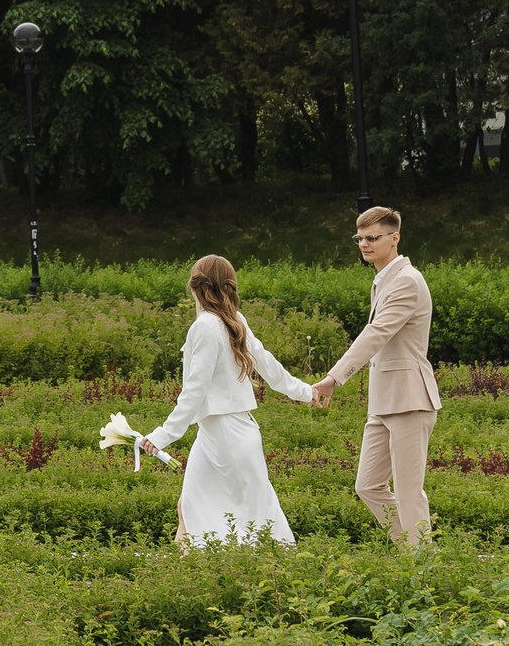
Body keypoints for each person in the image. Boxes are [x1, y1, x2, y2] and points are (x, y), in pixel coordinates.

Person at [140, 254, 320, 545]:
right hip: (218, 434)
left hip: (225, 435)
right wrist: (306, 391)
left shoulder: (208, 326)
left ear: (195, 287)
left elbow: (194, 392)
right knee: (189, 507)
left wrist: (162, 435)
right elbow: (270, 368)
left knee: (257, 519)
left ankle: (259, 575)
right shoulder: (232, 321)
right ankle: (183, 571)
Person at [318, 205, 438, 543]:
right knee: (368, 485)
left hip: (410, 399)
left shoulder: (407, 282)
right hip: (384, 402)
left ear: (395, 237)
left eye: (373, 238)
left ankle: (423, 567)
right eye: (360, 238)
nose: (365, 244)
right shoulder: (383, 279)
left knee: (409, 493)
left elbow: (376, 334)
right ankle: (413, 552)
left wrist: (334, 377)